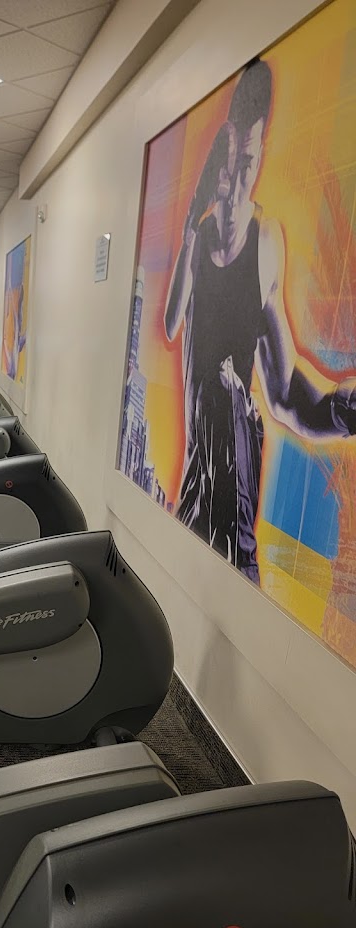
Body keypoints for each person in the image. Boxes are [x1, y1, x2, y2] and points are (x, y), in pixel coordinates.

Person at [163, 57, 356, 584]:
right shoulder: (200, 240)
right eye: (232, 165)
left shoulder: (267, 245)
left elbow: (285, 394)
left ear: (260, 156)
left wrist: (340, 410)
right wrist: (189, 226)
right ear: (219, 166)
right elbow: (171, 323)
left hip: (237, 499)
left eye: (251, 161)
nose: (240, 179)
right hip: (197, 488)